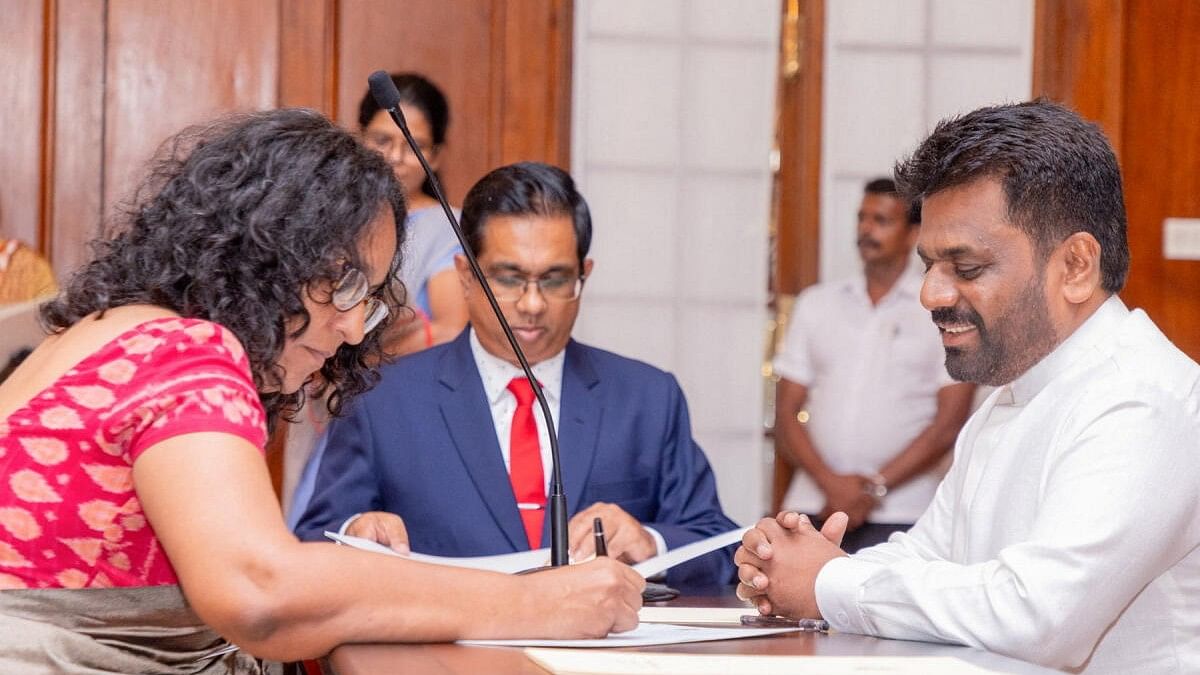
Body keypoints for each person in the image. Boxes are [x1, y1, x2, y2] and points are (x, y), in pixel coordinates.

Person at [0, 110, 642, 673]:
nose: (353, 325)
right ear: (263, 257)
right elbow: (261, 593)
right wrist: (537, 601)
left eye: (367, 296)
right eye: (340, 284)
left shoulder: (107, 332)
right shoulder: (185, 351)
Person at [736, 100, 1200, 673]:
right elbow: (928, 554)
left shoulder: (1142, 401)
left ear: (1076, 265)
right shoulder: (1012, 395)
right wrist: (806, 561)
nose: (931, 294)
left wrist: (831, 581)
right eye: (929, 264)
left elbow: (1039, 616)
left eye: (968, 267)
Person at [294, 162, 738, 589]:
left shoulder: (647, 399)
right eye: (508, 279)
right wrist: (358, 530)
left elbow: (720, 545)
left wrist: (649, 543)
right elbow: (315, 538)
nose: (532, 304)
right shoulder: (381, 399)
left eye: (555, 280)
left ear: (584, 275)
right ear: (466, 275)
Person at [773, 178, 974, 552]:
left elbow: (949, 424)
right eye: (862, 218)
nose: (866, 230)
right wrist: (833, 485)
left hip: (905, 512)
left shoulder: (940, 307)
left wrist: (872, 489)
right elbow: (786, 411)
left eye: (881, 220)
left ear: (914, 232)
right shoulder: (816, 304)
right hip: (812, 505)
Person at [359, 72, 467, 354]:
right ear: (360, 138)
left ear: (436, 156)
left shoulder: (448, 227)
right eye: (382, 140)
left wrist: (367, 359)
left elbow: (450, 329)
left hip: (403, 380)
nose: (395, 157)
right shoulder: (335, 216)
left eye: (413, 146)